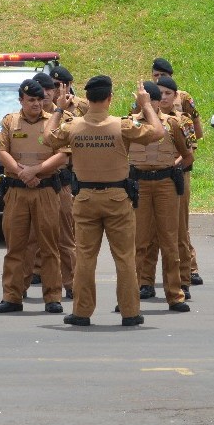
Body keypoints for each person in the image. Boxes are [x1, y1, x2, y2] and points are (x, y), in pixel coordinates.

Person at [46, 75, 163, 326]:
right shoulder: (122, 125)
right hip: (117, 198)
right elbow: (158, 132)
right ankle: (130, 312)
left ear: (86, 99)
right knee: (124, 257)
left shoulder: (73, 126)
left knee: (86, 257)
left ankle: (82, 311)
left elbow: (48, 137)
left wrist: (58, 108)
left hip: (86, 197)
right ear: (110, 98)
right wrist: (146, 104)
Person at [0, 78, 70, 314]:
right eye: (30, 100)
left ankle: (53, 297)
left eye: (39, 99)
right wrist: (21, 172)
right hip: (17, 190)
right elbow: (0, 151)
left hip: (45, 189)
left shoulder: (56, 122)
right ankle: (12, 296)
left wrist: (35, 171)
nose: (36, 104)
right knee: (15, 247)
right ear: (21, 101)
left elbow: (63, 155)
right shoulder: (9, 121)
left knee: (49, 246)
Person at [128, 81, 194, 311]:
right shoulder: (129, 124)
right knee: (138, 241)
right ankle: (132, 293)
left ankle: (175, 293)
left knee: (170, 239)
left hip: (166, 183)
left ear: (155, 102)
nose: (142, 104)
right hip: (139, 184)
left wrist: (171, 173)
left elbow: (187, 156)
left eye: (147, 100)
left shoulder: (173, 123)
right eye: (140, 100)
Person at [153, 57, 204, 289]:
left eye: (163, 76)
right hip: (151, 175)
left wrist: (177, 156)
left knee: (179, 227)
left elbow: (196, 134)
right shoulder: (144, 103)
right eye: (155, 75)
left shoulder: (184, 101)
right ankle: (146, 280)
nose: (158, 81)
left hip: (177, 171)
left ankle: (187, 271)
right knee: (148, 231)